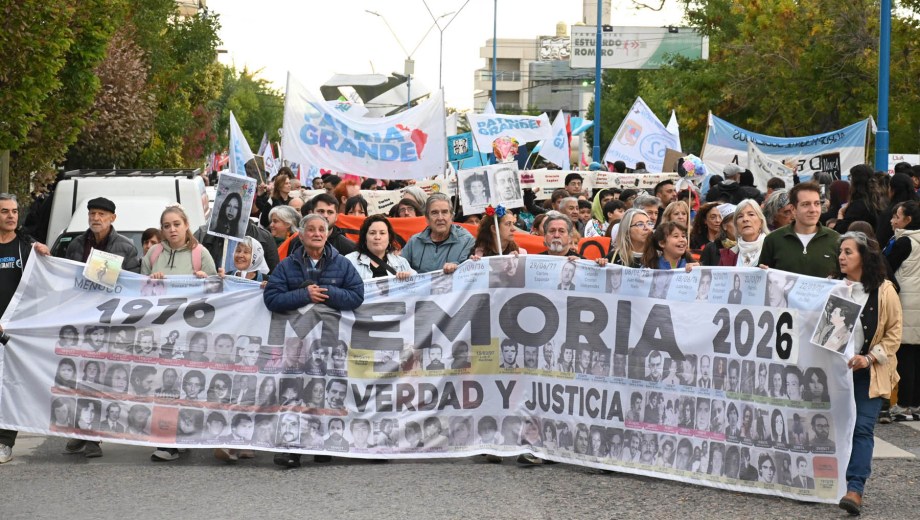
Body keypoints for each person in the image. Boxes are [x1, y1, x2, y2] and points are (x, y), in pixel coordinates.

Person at [836, 231, 903, 515]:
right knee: (835, 429)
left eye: (848, 252)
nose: (841, 256)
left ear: (864, 256)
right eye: (840, 251)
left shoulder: (884, 290)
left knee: (863, 428)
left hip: (870, 372)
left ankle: (855, 489)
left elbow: (894, 334)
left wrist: (869, 358)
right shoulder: (831, 287)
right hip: (836, 374)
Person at [883, 200, 920, 420]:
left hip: (907, 303)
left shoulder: (904, 242)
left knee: (905, 354)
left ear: (907, 220)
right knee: (917, 355)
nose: (892, 220)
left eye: (896, 216)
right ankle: (915, 404)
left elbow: (887, 265)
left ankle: (904, 403)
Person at [758, 182, 840, 277]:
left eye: (817, 204)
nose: (813, 209)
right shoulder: (773, 240)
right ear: (793, 209)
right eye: (806, 204)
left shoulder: (835, 239)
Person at [64, 197, 141, 273]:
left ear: (113, 218)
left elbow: (133, 280)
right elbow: (65, 272)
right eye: (92, 213)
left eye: (101, 214)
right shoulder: (76, 244)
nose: (96, 218)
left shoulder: (127, 248)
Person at [401, 193, 474, 274]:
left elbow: (471, 272)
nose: (440, 218)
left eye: (444, 212)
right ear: (427, 218)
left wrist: (457, 266)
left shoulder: (467, 241)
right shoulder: (414, 242)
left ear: (451, 217)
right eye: (434, 213)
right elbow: (399, 268)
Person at [345, 214, 415, 280]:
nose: (377, 237)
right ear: (365, 237)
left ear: (389, 237)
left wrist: (410, 279)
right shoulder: (349, 261)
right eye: (372, 233)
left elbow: (418, 285)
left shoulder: (401, 263)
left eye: (382, 233)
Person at [834, 164, 883, 234]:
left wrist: (840, 214)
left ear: (855, 182)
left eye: (850, 178)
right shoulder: (876, 202)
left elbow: (840, 230)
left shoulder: (858, 206)